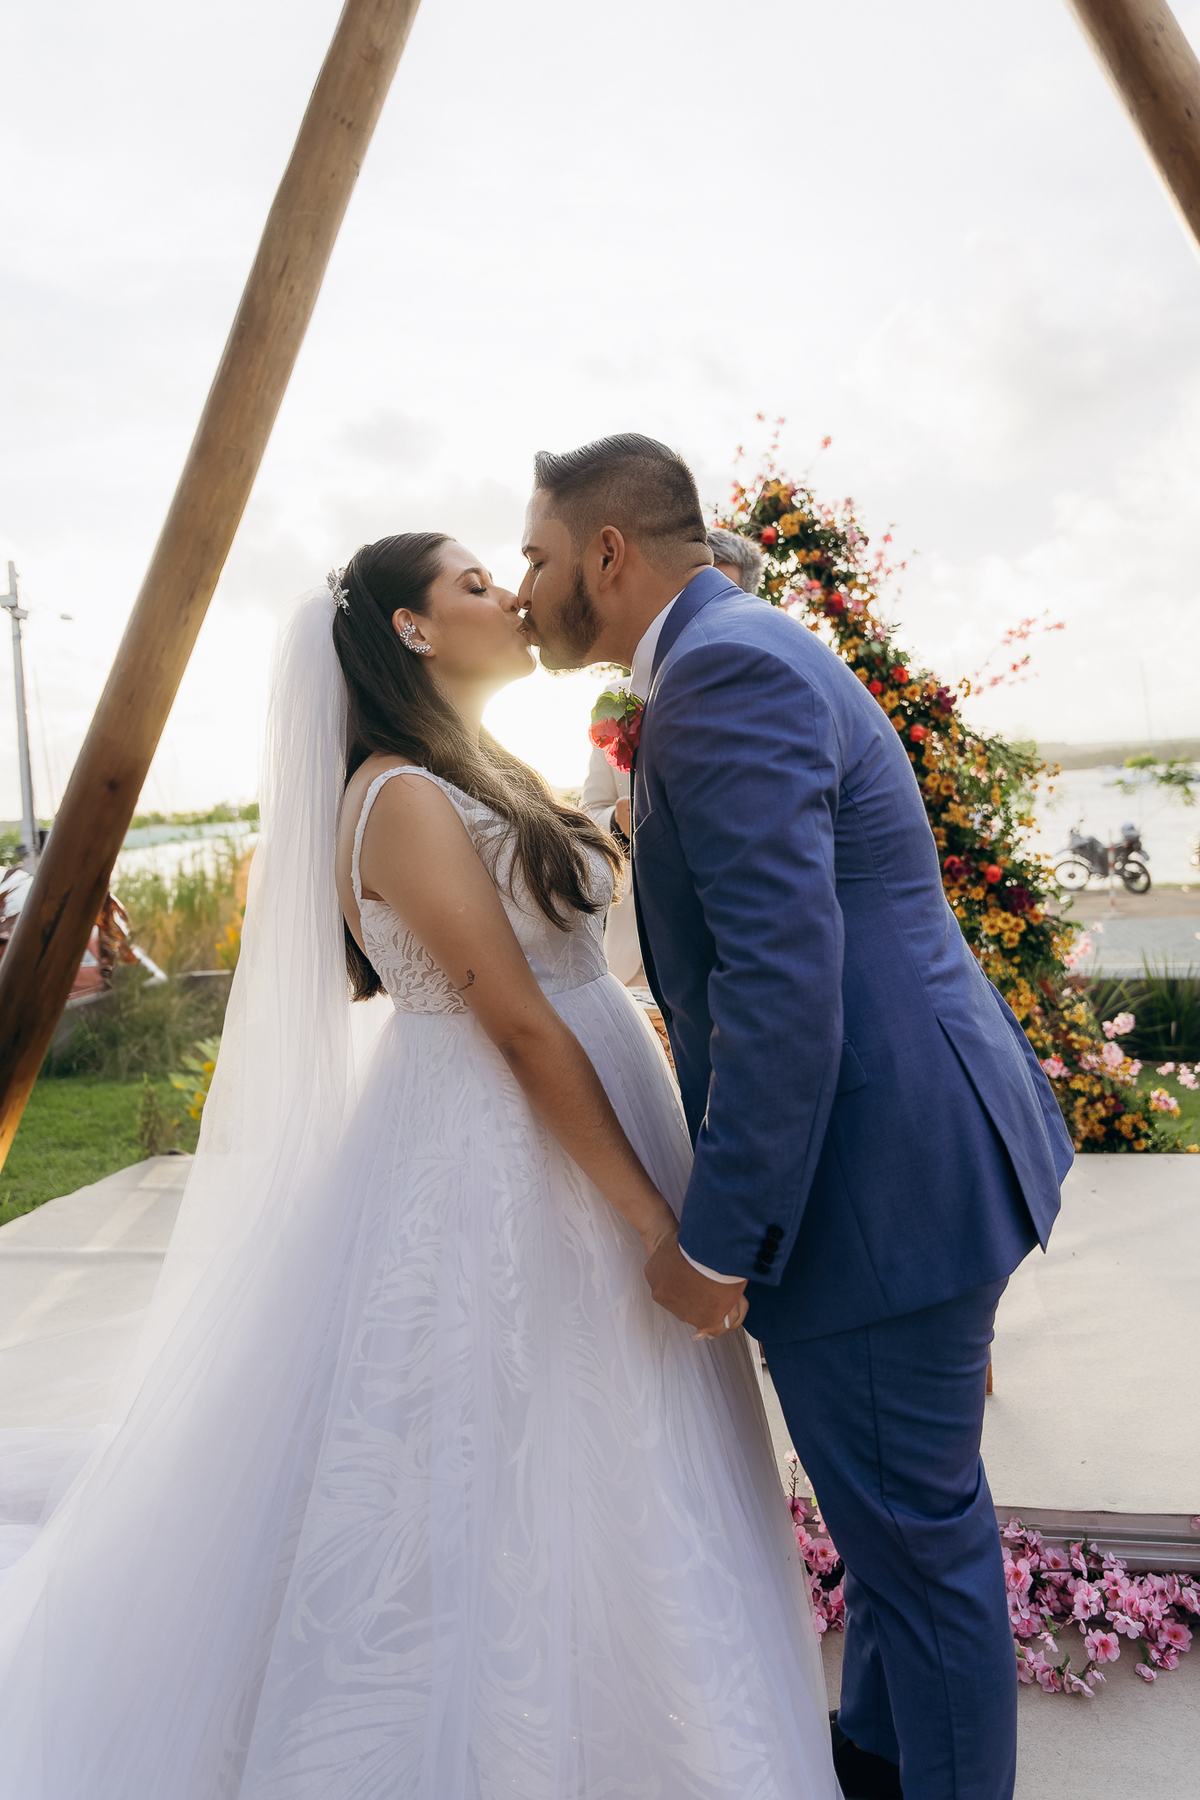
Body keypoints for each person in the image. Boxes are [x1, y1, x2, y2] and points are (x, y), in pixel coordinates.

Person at [0, 533, 839, 1800]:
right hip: (499, 1144)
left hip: (581, 1109)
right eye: (474, 582)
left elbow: (590, 950)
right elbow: (516, 1023)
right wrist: (654, 1223)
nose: (511, 593)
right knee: (495, 1441)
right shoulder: (396, 796)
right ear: (411, 628)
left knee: (622, 1441)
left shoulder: (481, 768)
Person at [518, 435, 1076, 1800]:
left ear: (607, 553)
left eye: (537, 555)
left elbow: (780, 986)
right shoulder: (734, 651)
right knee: (896, 1526)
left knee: (921, 1553)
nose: (525, 585)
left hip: (877, 1189)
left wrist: (720, 1243)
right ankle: (872, 1765)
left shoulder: (723, 676)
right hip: (910, 1153)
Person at [581, 529, 763, 987]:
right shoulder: (617, 699)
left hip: (726, 952)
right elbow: (588, 812)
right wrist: (615, 820)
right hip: (634, 955)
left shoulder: (758, 699)